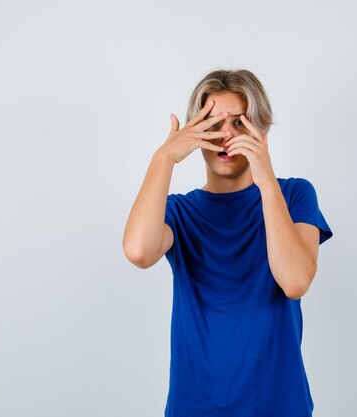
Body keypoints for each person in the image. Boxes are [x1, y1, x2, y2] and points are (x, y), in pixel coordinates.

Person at [122, 68, 333, 417]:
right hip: (195, 406)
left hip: (278, 405)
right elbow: (139, 252)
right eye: (212, 124)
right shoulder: (179, 210)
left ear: (260, 129)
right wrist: (164, 158)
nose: (225, 137)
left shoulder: (294, 194)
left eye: (239, 123)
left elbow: (295, 281)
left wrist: (265, 179)